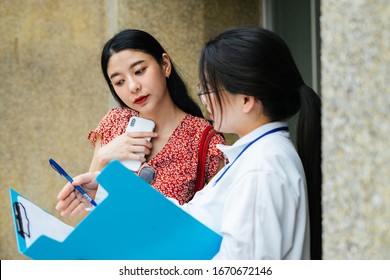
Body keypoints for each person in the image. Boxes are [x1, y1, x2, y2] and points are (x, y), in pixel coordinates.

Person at [56, 27, 322, 260]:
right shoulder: (254, 157)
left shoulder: (261, 167)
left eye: (209, 90)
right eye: (120, 81)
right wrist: (105, 190)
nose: (205, 100)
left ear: (246, 99)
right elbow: (187, 218)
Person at [87, 29, 225, 205]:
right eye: (119, 82)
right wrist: (102, 157)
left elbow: (219, 215)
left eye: (139, 71)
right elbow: (87, 214)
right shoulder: (114, 123)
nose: (133, 87)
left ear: (165, 65)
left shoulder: (205, 140)